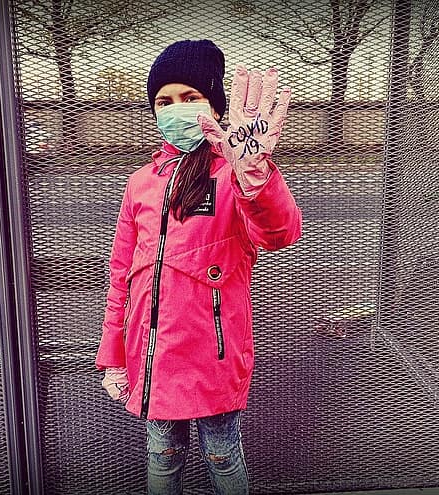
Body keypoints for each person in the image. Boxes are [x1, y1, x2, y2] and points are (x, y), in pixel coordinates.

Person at [94, 39, 302, 495]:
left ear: (215, 105)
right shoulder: (141, 183)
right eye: (164, 101)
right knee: (162, 454)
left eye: (190, 97)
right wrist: (114, 355)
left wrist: (255, 174)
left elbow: (280, 233)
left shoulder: (233, 173)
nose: (176, 109)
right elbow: (121, 276)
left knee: (222, 455)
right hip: (153, 354)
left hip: (213, 356)